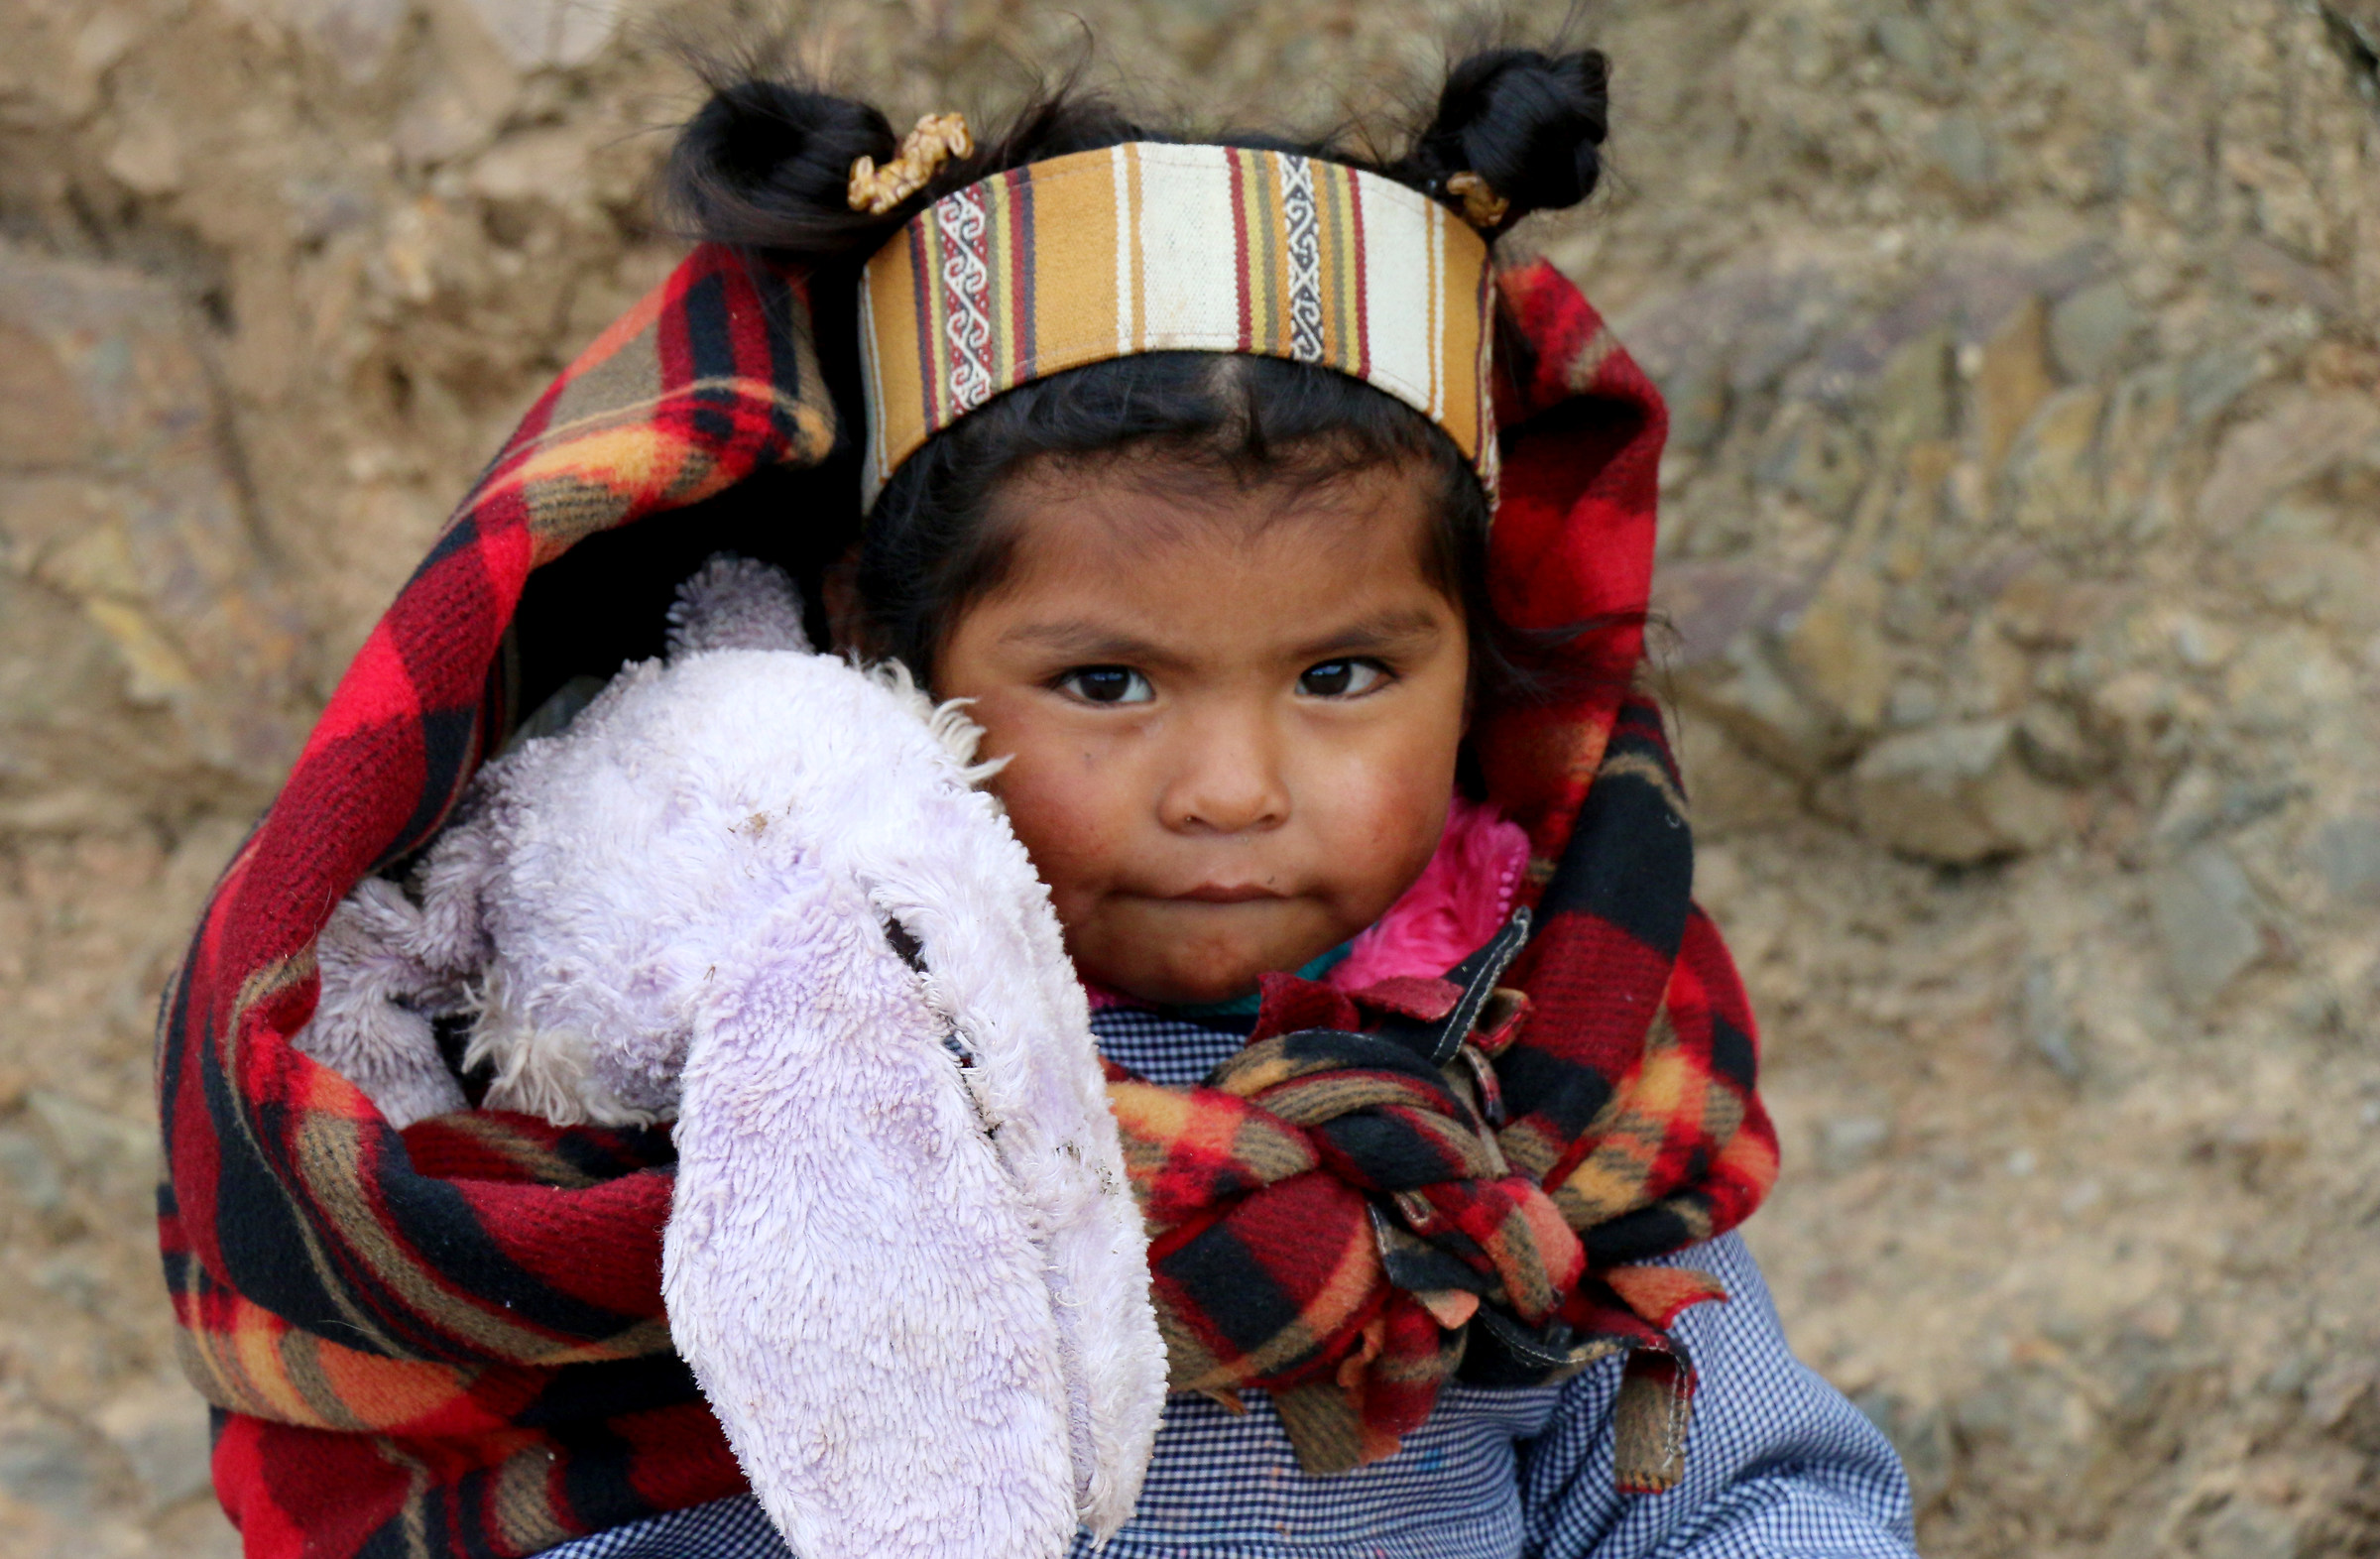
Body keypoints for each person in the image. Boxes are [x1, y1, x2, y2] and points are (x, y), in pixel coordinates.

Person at [157, 37, 1921, 1559]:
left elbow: (1730, 1485)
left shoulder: (1544, 1080)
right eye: (1107, 684)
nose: (1231, 790)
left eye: (1340, 678)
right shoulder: (734, 1073)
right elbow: (554, 1485)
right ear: (879, 646)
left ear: (1486, 659)